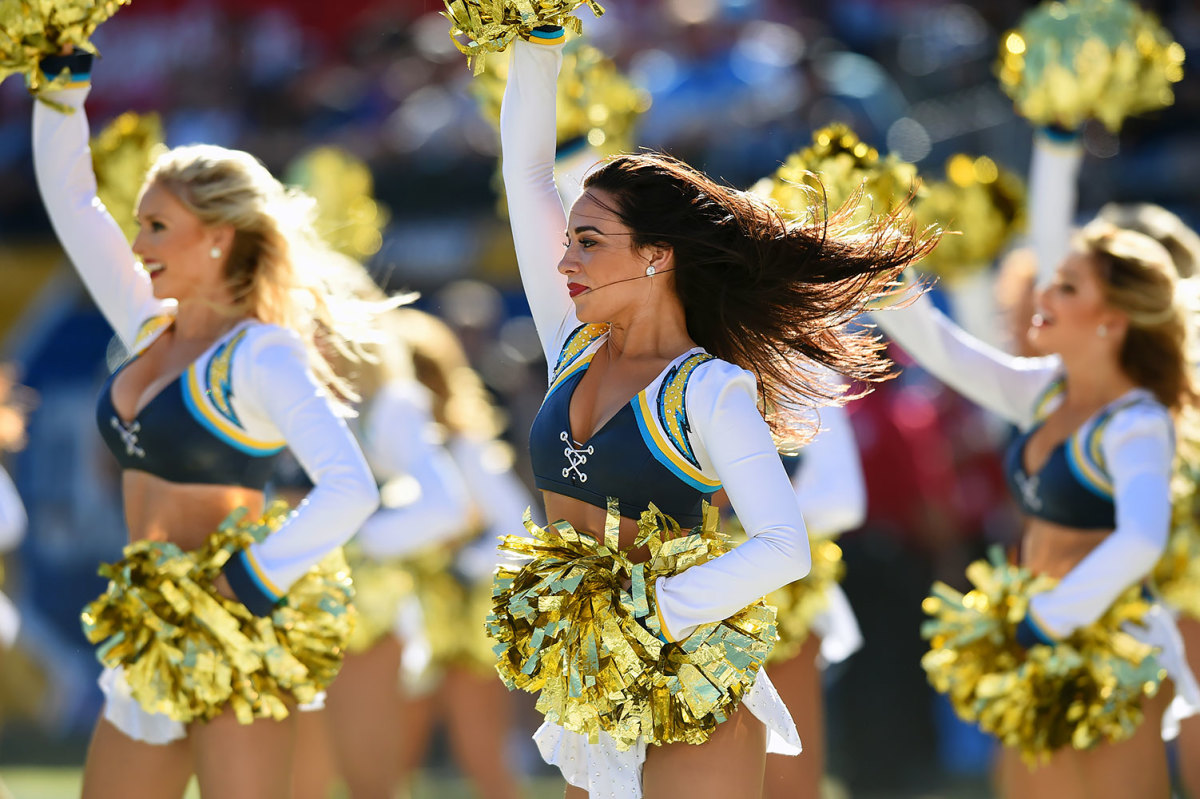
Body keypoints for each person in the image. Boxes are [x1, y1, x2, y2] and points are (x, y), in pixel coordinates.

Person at [492, 30, 933, 799]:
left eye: (589, 242)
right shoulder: (570, 344)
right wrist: (535, 41)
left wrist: (651, 612)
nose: (565, 261)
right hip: (594, 681)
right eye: (567, 241)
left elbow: (783, 545)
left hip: (687, 681)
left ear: (657, 255)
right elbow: (527, 173)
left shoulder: (707, 388)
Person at [31, 51, 379, 799]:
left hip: (237, 628)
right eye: (139, 225)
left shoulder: (261, 353)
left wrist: (253, 578)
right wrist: (61, 79)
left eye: (158, 226)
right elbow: (70, 202)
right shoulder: (147, 323)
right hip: (149, 623)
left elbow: (351, 488)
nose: (137, 246)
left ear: (219, 237)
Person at [873, 222, 1200, 799]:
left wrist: (1048, 617)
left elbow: (1142, 539)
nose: (1042, 297)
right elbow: (947, 352)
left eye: (1067, 288)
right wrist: (875, 270)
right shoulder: (1047, 391)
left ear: (1112, 320)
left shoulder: (1135, 423)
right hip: (1034, 644)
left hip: (1108, 651)